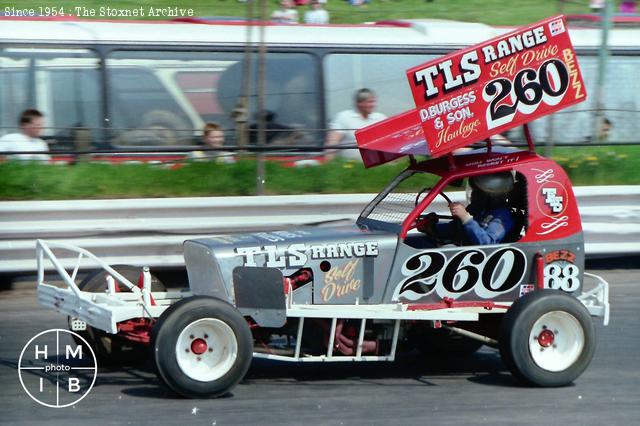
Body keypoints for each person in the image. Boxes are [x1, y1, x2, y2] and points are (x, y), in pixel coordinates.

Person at [417, 172, 516, 246]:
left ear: (491, 194)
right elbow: (456, 229)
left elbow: (487, 243)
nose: (473, 194)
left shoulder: (502, 217)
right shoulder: (478, 210)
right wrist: (432, 228)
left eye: (477, 191)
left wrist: (466, 218)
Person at [325, 88, 387, 160]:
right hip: (350, 167)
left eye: (374, 102)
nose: (373, 105)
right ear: (359, 103)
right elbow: (332, 143)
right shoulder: (343, 117)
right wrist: (329, 164)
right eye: (370, 102)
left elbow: (389, 143)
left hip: (377, 167)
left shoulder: (380, 118)